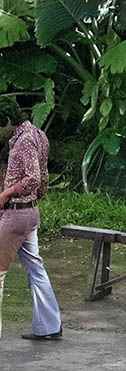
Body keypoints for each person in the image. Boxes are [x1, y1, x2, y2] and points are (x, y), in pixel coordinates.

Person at [0, 98, 62, 340]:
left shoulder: (24, 141)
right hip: (29, 213)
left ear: (6, 122)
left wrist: (5, 194)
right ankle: (49, 325)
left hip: (16, 213)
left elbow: (34, 178)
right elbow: (43, 178)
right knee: (35, 268)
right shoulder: (36, 133)